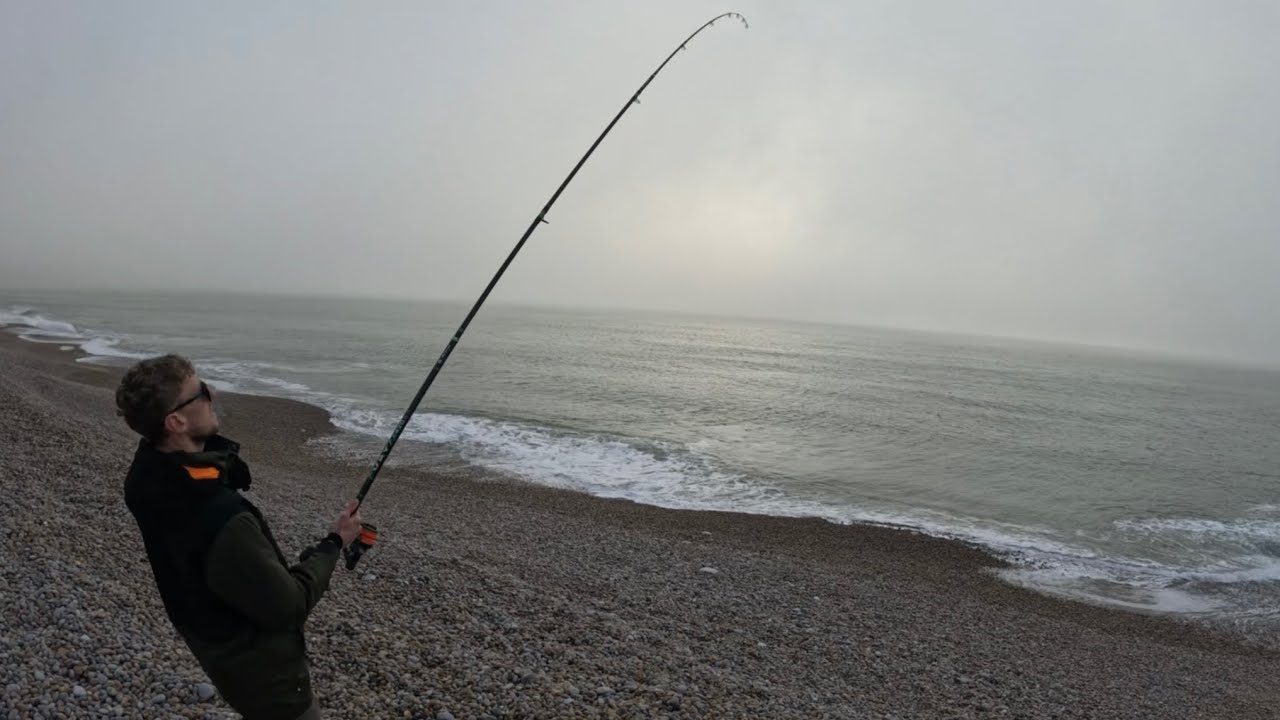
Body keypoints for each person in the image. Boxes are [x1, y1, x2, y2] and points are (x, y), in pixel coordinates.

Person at [116, 353, 361, 720]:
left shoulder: (146, 477)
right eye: (200, 393)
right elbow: (288, 608)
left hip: (215, 648)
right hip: (269, 685)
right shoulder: (221, 519)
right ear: (176, 421)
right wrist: (334, 542)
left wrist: (219, 464)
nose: (212, 393)